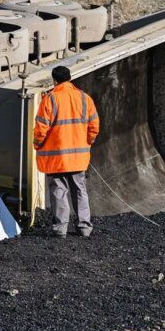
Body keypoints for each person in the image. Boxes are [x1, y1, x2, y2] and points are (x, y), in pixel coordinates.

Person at [33, 66, 100, 238]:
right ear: (70, 78)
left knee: (59, 191)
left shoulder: (50, 99)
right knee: (80, 190)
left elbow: (41, 128)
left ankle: (60, 229)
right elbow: (94, 126)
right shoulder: (85, 98)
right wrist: (87, 142)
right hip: (78, 157)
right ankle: (84, 228)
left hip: (57, 158)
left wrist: (37, 144)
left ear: (54, 80)